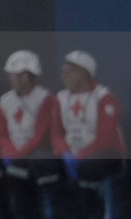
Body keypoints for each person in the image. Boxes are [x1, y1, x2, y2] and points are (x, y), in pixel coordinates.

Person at [0, 50, 63, 219]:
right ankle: (3, 214)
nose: (14, 79)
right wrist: (8, 152)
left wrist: (18, 154)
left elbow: (41, 135)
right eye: (12, 75)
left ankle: (28, 214)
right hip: (13, 152)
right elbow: (1, 133)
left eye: (19, 75)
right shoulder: (6, 100)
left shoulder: (44, 98)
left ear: (29, 76)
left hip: (38, 154)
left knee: (17, 171)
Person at [51, 50, 125, 219]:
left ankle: (94, 214)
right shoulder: (61, 98)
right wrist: (65, 153)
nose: (64, 74)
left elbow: (106, 138)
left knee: (88, 169)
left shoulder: (104, 96)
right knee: (45, 165)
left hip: (106, 154)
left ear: (84, 72)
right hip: (71, 154)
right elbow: (56, 134)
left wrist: (80, 156)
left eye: (69, 70)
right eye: (63, 70)